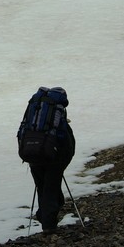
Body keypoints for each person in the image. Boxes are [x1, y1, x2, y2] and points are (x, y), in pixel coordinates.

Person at [18, 86, 76, 234]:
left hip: (32, 154)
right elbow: (68, 144)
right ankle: (48, 226)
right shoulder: (56, 117)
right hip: (53, 158)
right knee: (51, 188)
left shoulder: (34, 111)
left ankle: (44, 216)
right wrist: (62, 160)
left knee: (42, 187)